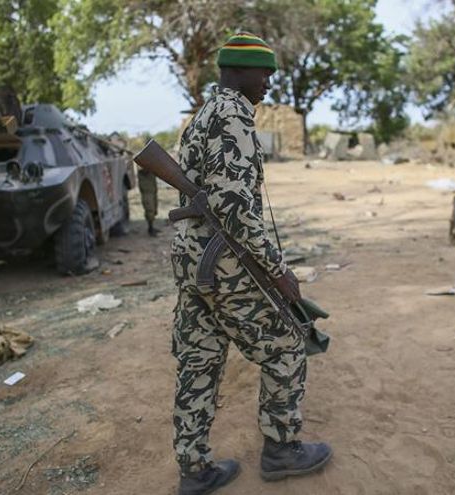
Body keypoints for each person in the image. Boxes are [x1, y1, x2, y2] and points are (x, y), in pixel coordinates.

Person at [170, 33, 332, 495]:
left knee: (198, 363)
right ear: (240, 71)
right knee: (285, 344)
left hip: (194, 266)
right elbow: (238, 210)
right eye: (264, 73)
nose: (268, 83)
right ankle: (282, 450)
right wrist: (280, 272)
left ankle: (194, 469)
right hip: (223, 266)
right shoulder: (233, 114)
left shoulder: (204, 113)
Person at [137, 168, 160, 236]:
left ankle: (152, 227)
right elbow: (142, 169)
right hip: (147, 192)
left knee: (154, 209)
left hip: (152, 190)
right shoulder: (143, 167)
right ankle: (150, 229)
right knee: (150, 210)